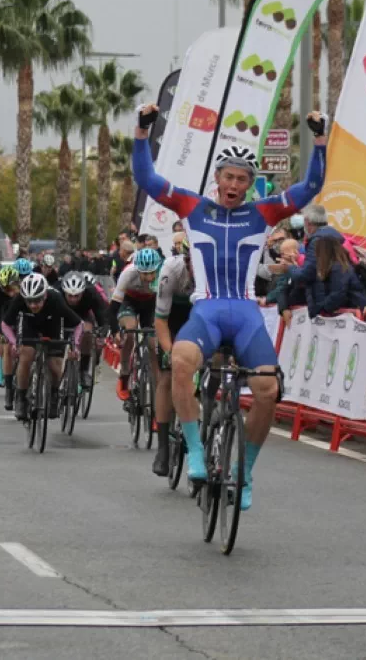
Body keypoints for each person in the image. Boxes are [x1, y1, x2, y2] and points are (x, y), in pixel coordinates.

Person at [134, 102, 328, 508]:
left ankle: (245, 471)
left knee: (267, 389)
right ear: (217, 179)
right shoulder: (192, 207)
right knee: (182, 363)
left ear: (250, 183)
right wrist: (141, 131)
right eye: (228, 177)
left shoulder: (263, 212)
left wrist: (320, 140)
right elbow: (146, 177)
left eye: (242, 178)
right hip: (206, 311)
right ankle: (195, 453)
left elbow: (310, 188)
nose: (234, 184)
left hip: (244, 314)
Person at [2, 273, 85, 421]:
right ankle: (21, 398)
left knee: (55, 365)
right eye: (30, 302)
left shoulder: (56, 299)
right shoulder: (20, 299)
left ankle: (54, 395)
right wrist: (14, 342)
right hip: (29, 325)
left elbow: (79, 324)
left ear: (45, 295)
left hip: (52, 325)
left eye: (37, 301)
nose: (33, 305)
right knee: (26, 356)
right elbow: (5, 324)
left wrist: (75, 347)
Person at [152, 235, 196, 476]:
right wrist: (170, 351)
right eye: (192, 261)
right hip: (173, 318)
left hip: (201, 316)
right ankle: (163, 448)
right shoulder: (171, 269)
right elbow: (160, 320)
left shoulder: (215, 270)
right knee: (168, 376)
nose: (196, 267)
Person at [107, 247, 164, 401]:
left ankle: (158, 397)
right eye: (144, 273)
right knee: (131, 331)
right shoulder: (128, 273)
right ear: (137, 270)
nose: (148, 277)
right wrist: (115, 331)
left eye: (152, 273)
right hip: (129, 302)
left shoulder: (163, 275)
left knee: (153, 345)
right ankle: (125, 373)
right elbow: (112, 309)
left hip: (150, 305)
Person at [59, 269, 108, 390]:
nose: (73, 299)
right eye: (69, 295)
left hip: (83, 316)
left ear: (83, 291)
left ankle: (83, 371)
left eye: (77, 296)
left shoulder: (91, 292)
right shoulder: (57, 292)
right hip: (61, 316)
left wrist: (102, 332)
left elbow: (103, 314)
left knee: (87, 332)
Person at [308, 236, 366, 317]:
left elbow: (338, 293)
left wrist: (319, 309)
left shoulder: (338, 267)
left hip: (357, 312)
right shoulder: (336, 266)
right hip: (352, 311)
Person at [0, 265, 23, 405]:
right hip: (8, 323)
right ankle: (8, 388)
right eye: (6, 290)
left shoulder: (24, 292)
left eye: (12, 288)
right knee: (7, 347)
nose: (10, 293)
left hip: (25, 322)